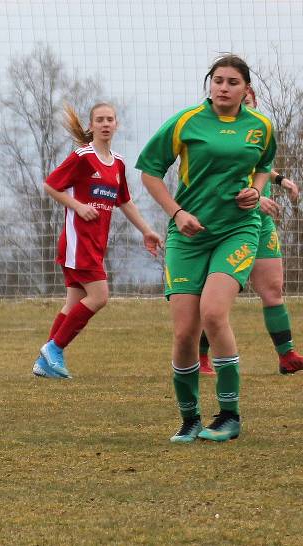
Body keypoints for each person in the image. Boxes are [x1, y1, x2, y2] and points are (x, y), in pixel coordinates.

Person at [136, 54, 276, 443]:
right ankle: (189, 419)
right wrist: (177, 213)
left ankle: (229, 416)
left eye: (233, 82)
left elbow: (264, 165)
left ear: (246, 90)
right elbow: (149, 171)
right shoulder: (185, 122)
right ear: (209, 84)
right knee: (184, 332)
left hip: (237, 231)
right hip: (189, 236)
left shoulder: (261, 126)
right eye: (218, 80)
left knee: (214, 314)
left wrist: (257, 190)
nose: (223, 87)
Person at [34, 103, 162, 379]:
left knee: (74, 303)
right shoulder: (82, 156)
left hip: (95, 245)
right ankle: (54, 349)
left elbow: (124, 202)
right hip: (78, 243)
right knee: (100, 296)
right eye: (100, 120)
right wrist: (77, 206)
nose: (105, 124)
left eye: (110, 120)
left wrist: (146, 230)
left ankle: (45, 360)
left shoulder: (117, 163)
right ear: (91, 126)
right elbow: (50, 185)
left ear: (116, 125)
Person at [197, 87, 303, 376]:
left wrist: (281, 180)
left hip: (262, 225)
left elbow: (260, 166)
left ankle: (287, 355)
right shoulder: (217, 137)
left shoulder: (258, 133)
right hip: (229, 225)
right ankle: (201, 358)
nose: (243, 107)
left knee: (272, 289)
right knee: (216, 300)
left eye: (248, 102)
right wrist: (256, 198)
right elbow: (220, 179)